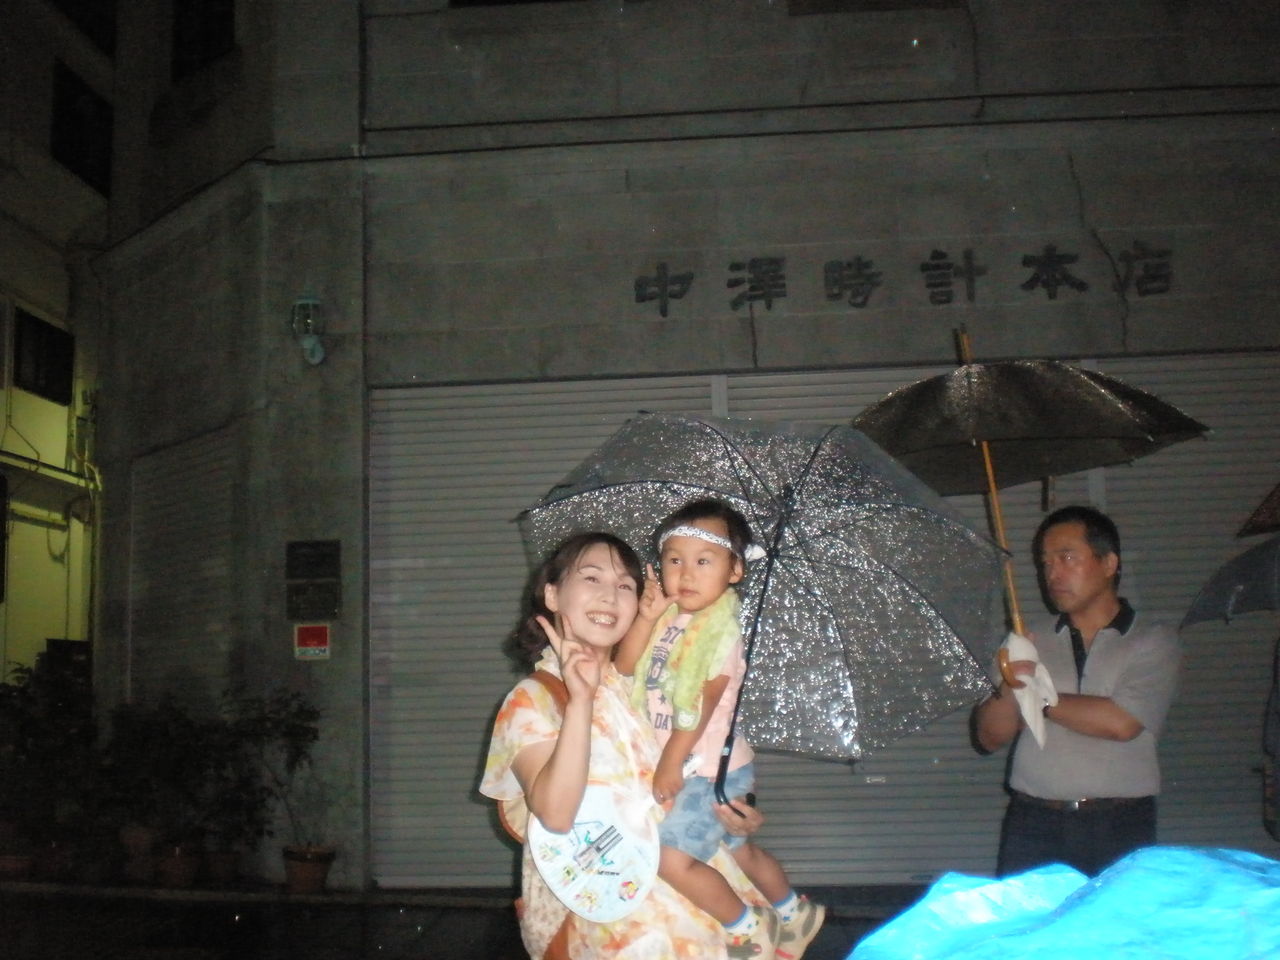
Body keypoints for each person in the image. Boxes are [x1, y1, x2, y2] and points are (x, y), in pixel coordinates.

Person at [480, 532, 772, 959]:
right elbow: (556, 815)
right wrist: (581, 701)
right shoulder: (533, 700)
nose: (609, 596)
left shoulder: (644, 690)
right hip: (614, 934)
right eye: (592, 578)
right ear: (553, 594)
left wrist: (733, 817)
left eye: (625, 585)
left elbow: (686, 782)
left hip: (708, 924)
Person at [615, 499, 825, 960]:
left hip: (708, 768)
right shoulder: (668, 621)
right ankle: (795, 912)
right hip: (703, 764)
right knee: (739, 852)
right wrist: (646, 617)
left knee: (670, 859)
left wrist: (671, 762)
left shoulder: (720, 632)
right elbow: (624, 668)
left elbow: (701, 703)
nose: (686, 574)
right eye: (674, 560)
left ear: (735, 570)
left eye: (704, 561)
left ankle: (749, 930)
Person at [972, 504, 1182, 877]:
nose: (1053, 574)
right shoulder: (1027, 641)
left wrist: (1040, 694)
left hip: (1119, 823)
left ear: (1109, 563)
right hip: (1032, 821)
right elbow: (989, 738)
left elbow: (1121, 723)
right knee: (1029, 917)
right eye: (1045, 563)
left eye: (1067, 558)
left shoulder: (1153, 639)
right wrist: (1011, 684)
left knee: (1114, 917)